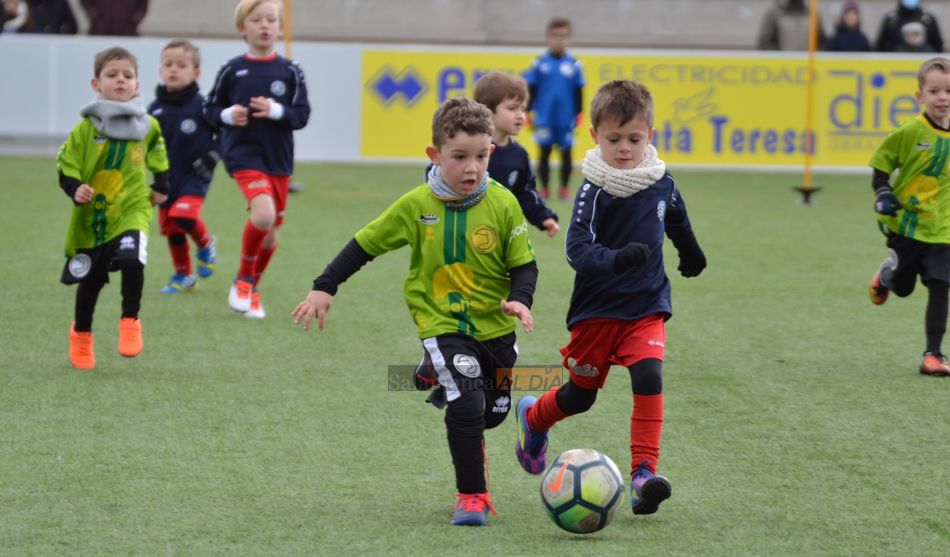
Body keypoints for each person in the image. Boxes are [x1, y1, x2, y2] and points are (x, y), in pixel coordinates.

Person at [292, 97, 538, 526]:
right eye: (459, 157)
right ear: (435, 155)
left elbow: (524, 263)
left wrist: (521, 299)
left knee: (491, 415)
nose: (471, 168)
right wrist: (323, 287)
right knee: (466, 403)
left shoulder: (503, 203)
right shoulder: (416, 205)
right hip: (441, 321)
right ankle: (471, 496)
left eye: (481, 156)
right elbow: (364, 244)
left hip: (496, 326)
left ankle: (448, 376)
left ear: (491, 154)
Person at [513, 80, 707, 517]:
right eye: (613, 139)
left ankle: (643, 475)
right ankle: (534, 418)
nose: (624, 148)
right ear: (595, 136)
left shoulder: (660, 180)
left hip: (646, 306)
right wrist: (617, 260)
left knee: (649, 377)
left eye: (634, 139)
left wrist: (689, 249)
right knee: (581, 397)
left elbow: (674, 214)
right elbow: (576, 250)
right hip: (598, 310)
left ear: (650, 136)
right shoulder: (593, 191)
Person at [57, 46, 169, 370]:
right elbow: (66, 164)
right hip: (94, 216)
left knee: (134, 261)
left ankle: (130, 321)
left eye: (128, 75)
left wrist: (162, 184)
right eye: (112, 75)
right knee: (90, 283)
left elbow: (158, 155)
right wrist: (75, 187)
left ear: (137, 83)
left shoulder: (147, 125)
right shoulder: (85, 128)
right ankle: (81, 333)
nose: (120, 80)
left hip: (132, 209)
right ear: (96, 84)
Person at [205, 0, 310, 319]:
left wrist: (276, 111)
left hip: (278, 160)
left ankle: (251, 290)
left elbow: (301, 116)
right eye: (257, 19)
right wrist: (226, 115)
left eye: (271, 20)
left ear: (280, 28)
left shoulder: (291, 70)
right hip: (242, 155)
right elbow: (208, 110)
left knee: (272, 234)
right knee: (263, 216)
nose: (265, 25)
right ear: (242, 28)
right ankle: (243, 281)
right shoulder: (232, 69)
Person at [868, 57, 950, 377]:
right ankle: (888, 275)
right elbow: (881, 168)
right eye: (934, 91)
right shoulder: (909, 132)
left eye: (948, 90)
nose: (942, 97)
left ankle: (933, 354)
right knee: (903, 288)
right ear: (920, 96)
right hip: (906, 225)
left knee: (941, 284)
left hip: (942, 227)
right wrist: (883, 194)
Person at [148, 39, 219, 294]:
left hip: (195, 176)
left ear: (196, 73)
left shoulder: (204, 106)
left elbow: (225, 135)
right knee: (170, 228)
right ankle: (183, 276)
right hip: (166, 179)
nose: (173, 69)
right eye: (167, 64)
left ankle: (206, 243)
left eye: (181, 65)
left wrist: (213, 155)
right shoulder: (154, 110)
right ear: (160, 70)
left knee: (184, 215)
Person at [473, 71, 559, 238]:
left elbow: (525, 193)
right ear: (488, 111)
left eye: (523, 109)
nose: (521, 115)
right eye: (512, 108)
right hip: (466, 229)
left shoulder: (519, 155)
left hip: (503, 233)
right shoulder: (470, 149)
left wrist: (543, 217)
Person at [525, 17, 585, 201]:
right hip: (544, 117)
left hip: (566, 118)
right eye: (555, 35)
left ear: (569, 39)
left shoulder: (574, 65)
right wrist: (527, 112)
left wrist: (579, 113)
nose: (559, 39)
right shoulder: (539, 63)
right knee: (544, 153)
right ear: (547, 38)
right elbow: (531, 89)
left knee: (566, 153)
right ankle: (544, 188)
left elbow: (578, 91)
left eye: (563, 36)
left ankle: (564, 188)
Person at [756, 0, 827, 51]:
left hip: (808, 65)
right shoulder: (773, 13)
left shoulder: (812, 13)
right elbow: (764, 42)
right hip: (782, 67)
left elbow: (822, 40)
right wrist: (778, 57)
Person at [875, 0, 943, 53]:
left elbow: (937, 45)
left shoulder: (928, 19)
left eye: (915, 34)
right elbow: (880, 46)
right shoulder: (891, 19)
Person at [80, 0, 148, 36]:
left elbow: (142, 6)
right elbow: (87, 3)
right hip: (99, 32)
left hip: (127, 32)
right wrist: (96, 18)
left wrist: (133, 22)